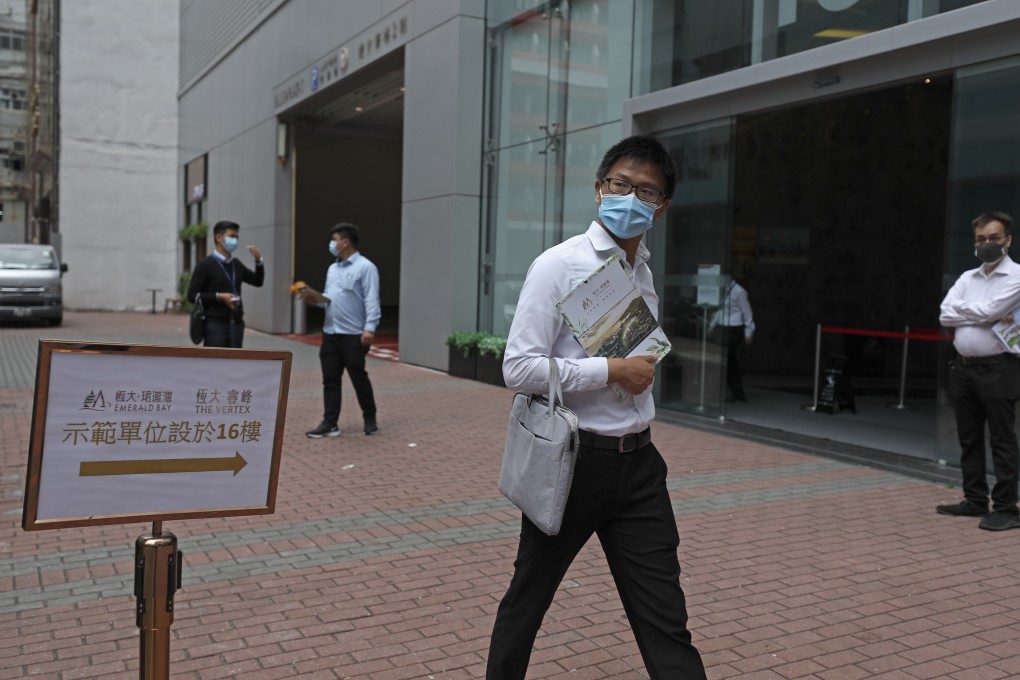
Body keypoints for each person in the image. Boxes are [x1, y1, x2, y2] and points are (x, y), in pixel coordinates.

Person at [486, 136, 707, 679]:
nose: (631, 197)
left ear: (663, 206)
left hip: (640, 467)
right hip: (573, 462)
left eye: (647, 191)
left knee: (665, 618)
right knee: (528, 602)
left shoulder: (644, 273)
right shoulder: (558, 265)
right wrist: (609, 371)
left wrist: (632, 372)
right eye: (621, 184)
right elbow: (518, 369)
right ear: (599, 190)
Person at [938, 210, 1020, 532]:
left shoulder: (1016, 277)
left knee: (1001, 439)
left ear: (1008, 241)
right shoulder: (966, 278)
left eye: (994, 238)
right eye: (981, 239)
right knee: (969, 438)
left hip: (998, 369)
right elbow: (946, 315)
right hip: (963, 369)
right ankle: (974, 500)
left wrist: (970, 313)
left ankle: (1006, 508)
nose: (987, 244)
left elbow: (989, 311)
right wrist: (980, 317)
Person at [305, 223, 380, 438]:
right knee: (330, 379)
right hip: (330, 332)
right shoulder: (332, 268)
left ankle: (370, 416)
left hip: (353, 334)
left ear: (345, 242)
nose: (331, 244)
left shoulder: (366, 268)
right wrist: (315, 300)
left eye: (334, 239)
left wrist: (370, 329)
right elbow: (330, 298)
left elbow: (372, 300)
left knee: (358, 376)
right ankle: (330, 422)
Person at [187, 220, 264, 348]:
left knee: (234, 365)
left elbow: (257, 281)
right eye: (232, 237)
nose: (235, 241)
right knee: (215, 364)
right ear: (218, 237)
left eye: (237, 237)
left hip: (236, 323)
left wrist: (258, 260)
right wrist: (219, 297)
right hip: (215, 325)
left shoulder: (236, 264)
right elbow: (191, 295)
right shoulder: (205, 265)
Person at [712, 279, 755, 402]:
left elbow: (747, 313)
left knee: (726, 359)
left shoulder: (739, 291)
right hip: (724, 327)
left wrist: (749, 332)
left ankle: (736, 392)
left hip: (735, 329)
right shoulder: (724, 290)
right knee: (729, 361)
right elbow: (721, 310)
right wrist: (713, 325)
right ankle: (737, 392)